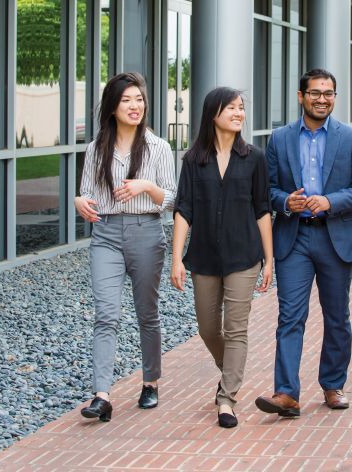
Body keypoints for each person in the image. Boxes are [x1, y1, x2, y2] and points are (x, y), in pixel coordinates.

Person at [255, 69, 352, 417]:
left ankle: (333, 385)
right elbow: (268, 188)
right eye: (315, 92)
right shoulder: (279, 139)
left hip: (336, 236)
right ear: (300, 96)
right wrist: (283, 202)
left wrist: (330, 201)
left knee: (337, 316)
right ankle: (286, 393)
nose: (322, 98)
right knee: (290, 316)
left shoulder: (351, 138)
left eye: (329, 93)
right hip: (294, 237)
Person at [75, 72, 176, 422]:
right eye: (126, 100)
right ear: (113, 107)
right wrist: (80, 201)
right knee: (106, 315)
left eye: (139, 100)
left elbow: (174, 200)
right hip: (105, 234)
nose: (135, 106)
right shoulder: (95, 148)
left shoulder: (159, 147)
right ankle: (101, 394)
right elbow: (87, 191)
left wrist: (147, 186)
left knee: (147, 313)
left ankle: (151, 382)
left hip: (147, 233)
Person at [171, 87, 273, 428]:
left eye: (241, 108)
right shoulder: (193, 159)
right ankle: (229, 371)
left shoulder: (255, 157)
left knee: (236, 328)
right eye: (231, 107)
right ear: (212, 113)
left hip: (244, 255)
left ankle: (227, 397)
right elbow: (183, 209)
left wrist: (269, 259)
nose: (238, 113)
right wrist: (176, 259)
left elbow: (262, 209)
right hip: (204, 256)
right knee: (208, 328)